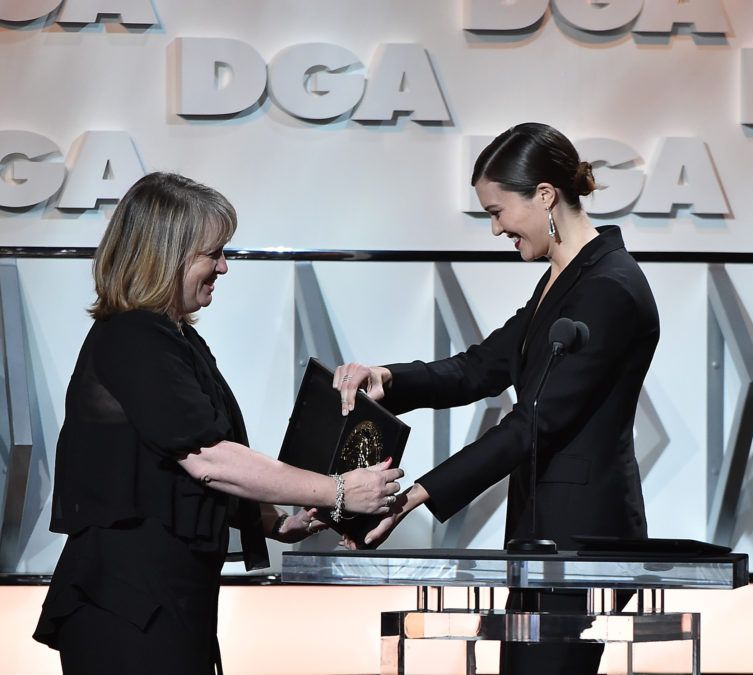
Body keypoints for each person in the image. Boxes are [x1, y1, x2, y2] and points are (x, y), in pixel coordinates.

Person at [32, 172, 403, 675]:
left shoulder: (172, 339)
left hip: (161, 600)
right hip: (126, 606)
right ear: (168, 255)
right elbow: (207, 457)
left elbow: (177, 466)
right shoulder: (134, 337)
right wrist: (336, 491)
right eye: (214, 252)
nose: (224, 267)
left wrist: (275, 520)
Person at [335, 122, 659, 674]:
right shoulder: (566, 279)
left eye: (496, 211)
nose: (494, 229)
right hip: (544, 540)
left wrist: (415, 496)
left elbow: (532, 423)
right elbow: (480, 368)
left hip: (581, 541)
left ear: (545, 195)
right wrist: (389, 380)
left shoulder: (608, 288)